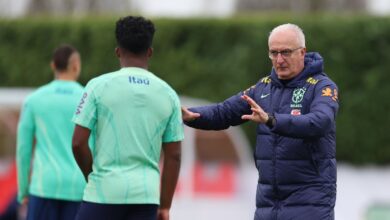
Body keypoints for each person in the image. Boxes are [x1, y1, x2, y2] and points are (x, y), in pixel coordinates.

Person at [182, 23, 339, 220]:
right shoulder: (263, 88)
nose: (279, 59)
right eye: (274, 53)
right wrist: (189, 115)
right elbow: (224, 112)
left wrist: (272, 120)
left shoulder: (322, 86)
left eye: (286, 52)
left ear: (302, 52)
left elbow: (320, 121)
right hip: (268, 204)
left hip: (310, 203)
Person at [71, 16, 184, 220]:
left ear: (117, 52)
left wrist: (93, 177)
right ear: (150, 52)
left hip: (102, 193)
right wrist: (165, 205)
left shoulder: (97, 86)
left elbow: (78, 143)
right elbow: (174, 155)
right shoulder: (169, 94)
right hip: (146, 197)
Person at [16, 44, 86, 220]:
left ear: (53, 66)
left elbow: (23, 150)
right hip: (78, 188)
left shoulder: (34, 100)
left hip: (43, 186)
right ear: (76, 65)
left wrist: (23, 189)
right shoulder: (88, 98)